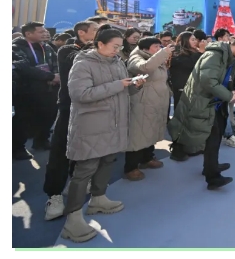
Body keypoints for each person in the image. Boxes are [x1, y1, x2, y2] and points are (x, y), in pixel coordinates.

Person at [61, 28, 146, 243]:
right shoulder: (83, 64)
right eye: (114, 46)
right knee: (85, 170)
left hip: (114, 124)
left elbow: (122, 90)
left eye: (120, 47)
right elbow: (80, 94)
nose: (118, 50)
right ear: (100, 44)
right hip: (91, 126)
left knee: (107, 161)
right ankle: (73, 218)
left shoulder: (117, 62)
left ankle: (98, 199)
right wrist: (118, 85)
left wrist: (133, 85)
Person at [167, 35, 235, 190]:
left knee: (215, 137)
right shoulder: (215, 55)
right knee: (212, 138)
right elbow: (208, 80)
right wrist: (229, 96)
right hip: (204, 103)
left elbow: (221, 77)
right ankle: (212, 178)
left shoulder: (227, 57)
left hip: (215, 103)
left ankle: (211, 166)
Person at [43, 21, 100, 222]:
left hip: (92, 107)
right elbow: (80, 63)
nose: (99, 34)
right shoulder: (67, 50)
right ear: (81, 32)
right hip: (69, 108)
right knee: (60, 151)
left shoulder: (101, 52)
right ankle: (54, 195)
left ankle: (76, 183)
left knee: (84, 148)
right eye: (96, 30)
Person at [124, 37, 174, 181]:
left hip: (156, 101)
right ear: (145, 48)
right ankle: (131, 167)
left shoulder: (155, 57)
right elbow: (144, 68)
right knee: (138, 134)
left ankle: (147, 158)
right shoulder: (136, 57)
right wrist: (163, 53)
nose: (159, 49)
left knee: (151, 130)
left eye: (159, 46)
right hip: (142, 102)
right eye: (155, 46)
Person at [12, 22, 60, 157]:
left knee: (49, 115)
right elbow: (24, 68)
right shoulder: (16, 48)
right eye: (41, 32)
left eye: (45, 31)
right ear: (28, 34)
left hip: (48, 89)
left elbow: (55, 64)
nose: (45, 33)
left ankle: (41, 140)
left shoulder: (47, 47)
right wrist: (49, 76)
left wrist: (56, 76)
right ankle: (17, 148)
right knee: (24, 119)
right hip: (27, 90)